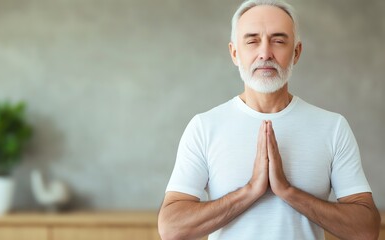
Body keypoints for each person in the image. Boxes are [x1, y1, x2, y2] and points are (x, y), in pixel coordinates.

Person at [158, 0, 381, 239]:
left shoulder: (333, 127)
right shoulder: (204, 127)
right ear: (235, 53)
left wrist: (287, 191)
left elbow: (366, 229)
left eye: (278, 40)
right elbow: (172, 228)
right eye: (252, 41)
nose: (265, 53)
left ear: (296, 52)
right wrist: (250, 191)